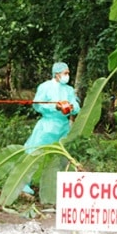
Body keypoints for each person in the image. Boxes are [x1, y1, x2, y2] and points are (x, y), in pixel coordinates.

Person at [22, 62, 81, 195]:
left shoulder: (69, 90)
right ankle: (24, 184)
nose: (67, 76)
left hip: (63, 126)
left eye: (68, 73)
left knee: (62, 156)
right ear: (57, 74)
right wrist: (55, 107)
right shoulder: (45, 87)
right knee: (35, 153)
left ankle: (59, 186)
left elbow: (76, 105)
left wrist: (72, 108)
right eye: (65, 73)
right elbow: (38, 105)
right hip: (47, 126)